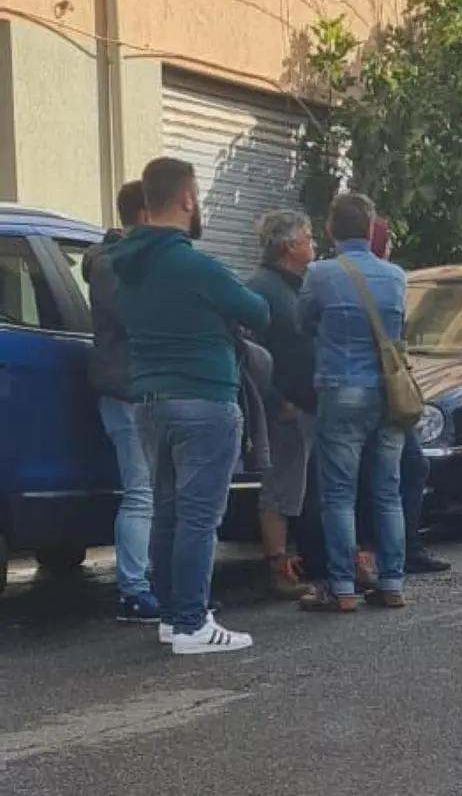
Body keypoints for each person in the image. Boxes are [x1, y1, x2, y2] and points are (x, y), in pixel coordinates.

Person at [112, 156, 270, 653]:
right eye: (196, 196)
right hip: (204, 398)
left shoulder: (123, 267)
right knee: (200, 518)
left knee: (168, 512)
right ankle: (192, 624)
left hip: (149, 401)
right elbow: (258, 310)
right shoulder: (195, 265)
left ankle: (171, 616)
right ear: (185, 199)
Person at [299, 192, 409, 613]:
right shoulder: (396, 276)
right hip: (388, 393)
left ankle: (342, 586)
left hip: (341, 388)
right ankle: (393, 581)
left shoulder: (320, 273)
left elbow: (300, 320)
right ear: (369, 230)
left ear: (330, 229)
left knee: (339, 495)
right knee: (387, 492)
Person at [354, 216, 449, 576]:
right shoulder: (389, 279)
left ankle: (390, 549)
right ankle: (396, 552)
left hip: (364, 387)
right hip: (384, 390)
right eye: (387, 238)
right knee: (399, 471)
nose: (392, 245)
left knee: (396, 469)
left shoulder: (336, 277)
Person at [84, 179, 159, 625]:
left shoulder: (113, 261)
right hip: (127, 390)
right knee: (141, 492)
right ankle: (134, 589)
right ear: (147, 215)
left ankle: (146, 581)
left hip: (135, 388)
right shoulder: (115, 265)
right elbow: (137, 321)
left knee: (146, 490)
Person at [245, 209, 317, 598]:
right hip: (284, 409)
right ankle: (277, 566)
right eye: (308, 237)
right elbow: (249, 353)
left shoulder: (295, 286)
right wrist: (276, 402)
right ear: (290, 246)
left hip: (305, 404)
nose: (313, 243)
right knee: (281, 487)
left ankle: (301, 559)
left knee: (297, 485)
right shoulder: (263, 290)